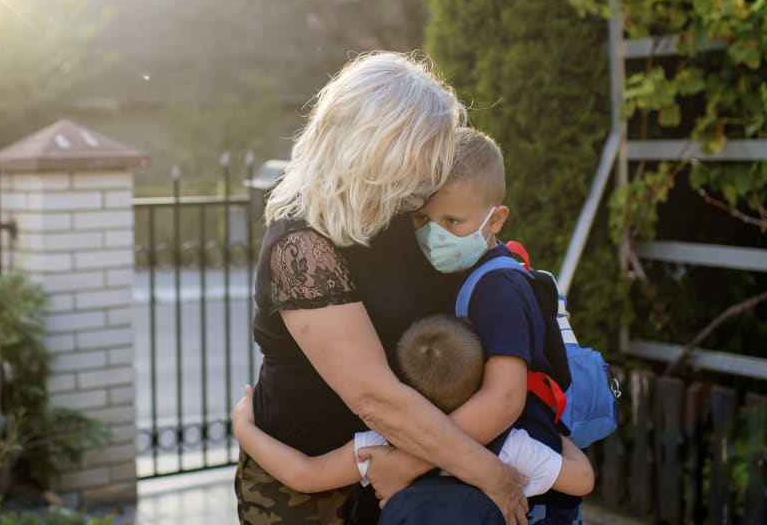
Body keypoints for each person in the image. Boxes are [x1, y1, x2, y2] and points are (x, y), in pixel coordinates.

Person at [234, 52, 532, 525]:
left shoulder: (414, 213)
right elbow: (375, 397)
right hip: (309, 491)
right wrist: (491, 474)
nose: (434, 168)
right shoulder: (300, 245)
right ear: (377, 150)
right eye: (424, 150)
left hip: (417, 466)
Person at [363, 128, 586, 525]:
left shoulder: (497, 288)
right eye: (422, 219)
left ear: (496, 219)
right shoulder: (471, 273)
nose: (434, 234)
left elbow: (503, 400)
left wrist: (408, 462)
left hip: (528, 494)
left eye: (452, 220)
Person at [231, 313, 594, 498]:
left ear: (400, 386)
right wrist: (551, 429)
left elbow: (304, 475)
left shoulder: (379, 446)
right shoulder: (511, 446)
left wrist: (243, 428)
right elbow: (582, 481)